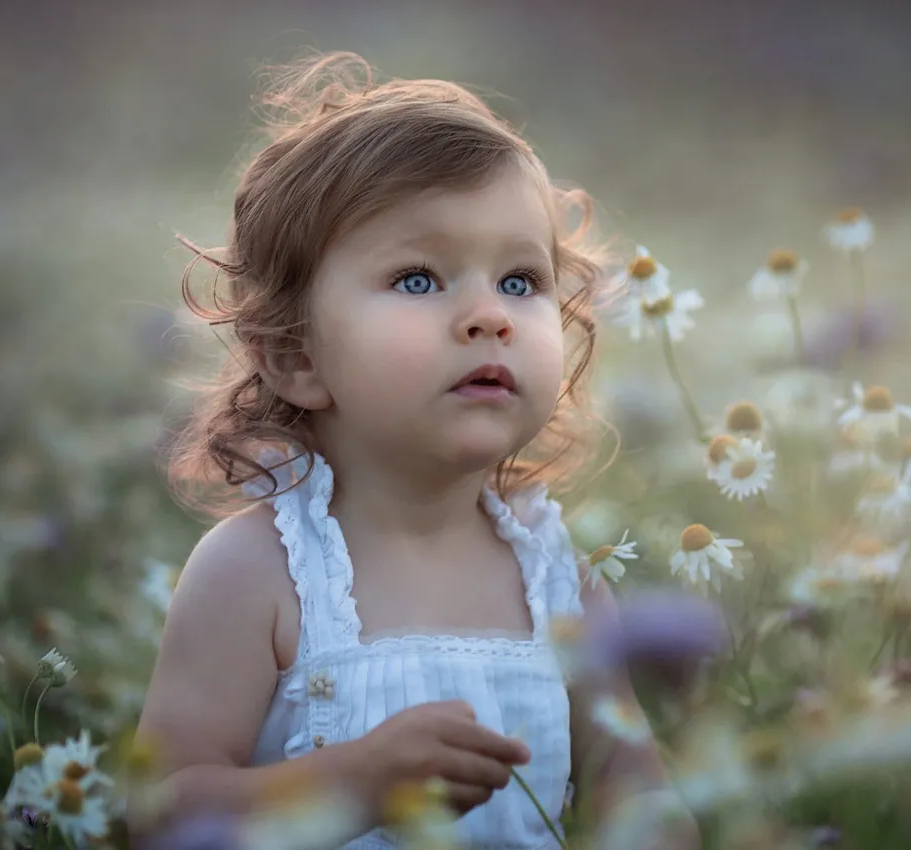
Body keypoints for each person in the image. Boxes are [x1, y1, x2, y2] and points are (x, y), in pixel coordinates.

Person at [136, 51, 695, 849]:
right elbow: (159, 813)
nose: (488, 317)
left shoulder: (561, 583)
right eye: (419, 279)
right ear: (296, 355)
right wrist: (353, 781)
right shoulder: (257, 574)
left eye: (518, 281)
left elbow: (635, 795)